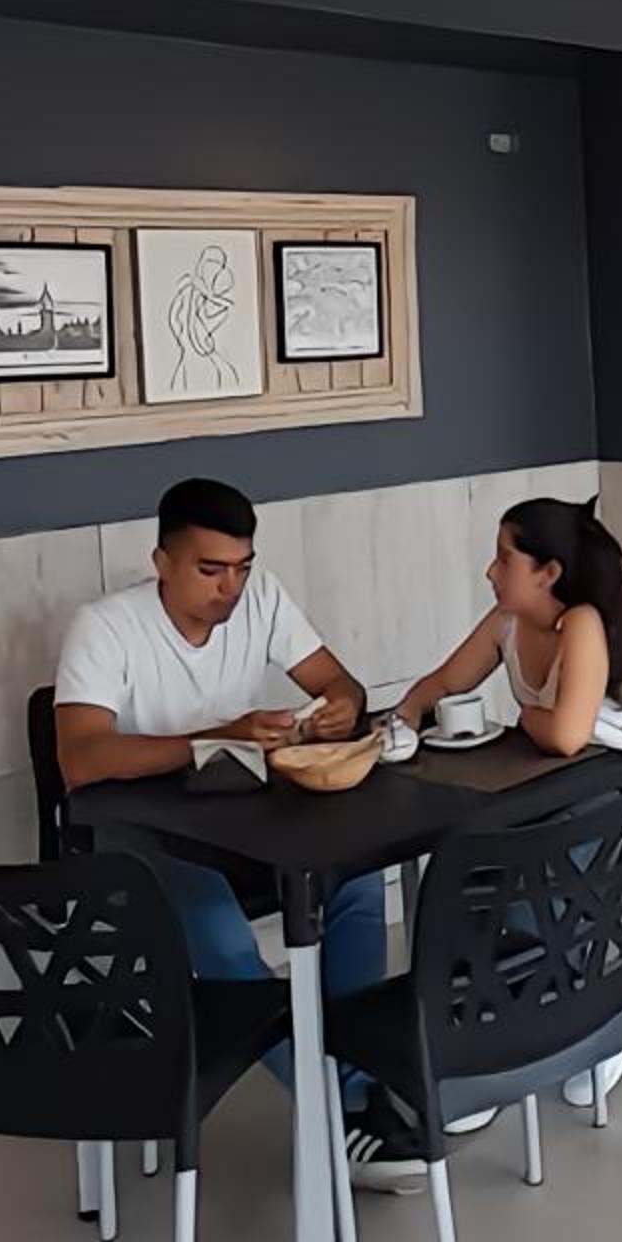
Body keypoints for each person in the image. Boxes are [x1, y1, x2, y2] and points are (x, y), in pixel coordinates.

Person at [51, 476, 426, 1189]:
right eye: (210, 570)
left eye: (242, 568)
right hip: (138, 838)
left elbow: (342, 685)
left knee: (352, 881)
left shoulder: (261, 599)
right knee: (221, 937)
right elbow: (81, 759)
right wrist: (215, 736)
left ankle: (352, 1080)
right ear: (162, 562)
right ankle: (345, 1104)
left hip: (242, 821)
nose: (230, 588)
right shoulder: (105, 627)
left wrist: (336, 708)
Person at [393, 497, 622, 1107]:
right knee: (469, 877)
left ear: (548, 572)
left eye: (504, 558)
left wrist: (529, 716)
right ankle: (475, 1052)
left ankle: (600, 1018)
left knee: (538, 880)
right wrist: (401, 720)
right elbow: (444, 683)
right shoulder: (505, 622)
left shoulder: (581, 623)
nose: (490, 571)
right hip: (567, 789)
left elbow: (565, 735)